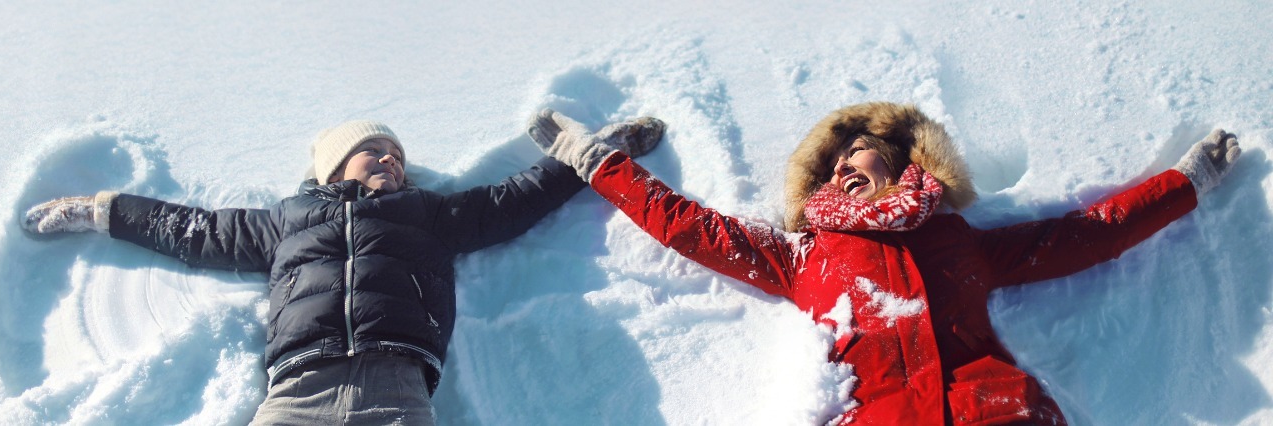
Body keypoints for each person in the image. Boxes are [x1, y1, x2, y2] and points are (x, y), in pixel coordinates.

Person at [528, 102, 1240, 425]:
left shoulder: (960, 241)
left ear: (900, 161)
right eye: (831, 166)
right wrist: (594, 159)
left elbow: (1089, 234)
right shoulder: (803, 254)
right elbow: (687, 227)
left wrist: (1187, 183)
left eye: (856, 154)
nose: (842, 167)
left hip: (991, 412)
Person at [21, 117, 666, 425]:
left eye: (397, 156)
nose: (391, 161)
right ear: (333, 166)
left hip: (398, 391)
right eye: (374, 152)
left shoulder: (427, 214)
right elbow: (191, 230)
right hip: (296, 394)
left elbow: (514, 199)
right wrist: (96, 210)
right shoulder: (287, 221)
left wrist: (598, 148)